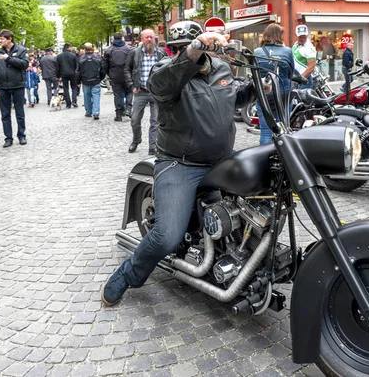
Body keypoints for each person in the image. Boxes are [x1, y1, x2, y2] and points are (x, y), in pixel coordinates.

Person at [101, 21, 255, 306]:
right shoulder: (165, 73)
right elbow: (160, 83)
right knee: (167, 237)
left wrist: (263, 86)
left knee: (262, 197)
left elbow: (233, 98)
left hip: (221, 159)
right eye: (177, 49)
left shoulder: (221, 69)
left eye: (188, 47)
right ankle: (128, 274)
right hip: (181, 164)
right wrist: (194, 50)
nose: (181, 53)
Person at [124, 29, 165, 155]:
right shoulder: (134, 53)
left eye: (151, 37)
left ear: (155, 39)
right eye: (146, 37)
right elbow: (127, 70)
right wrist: (131, 85)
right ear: (141, 39)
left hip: (156, 92)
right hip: (140, 91)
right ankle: (136, 139)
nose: (149, 39)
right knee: (135, 119)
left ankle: (153, 147)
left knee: (155, 121)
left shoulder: (161, 53)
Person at [254, 24, 294, 145]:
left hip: (264, 93)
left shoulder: (257, 51)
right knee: (283, 128)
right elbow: (290, 73)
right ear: (279, 35)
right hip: (283, 93)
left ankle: (265, 159)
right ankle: (282, 158)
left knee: (266, 130)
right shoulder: (287, 51)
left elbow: (254, 73)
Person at [0, 29, 29, 147]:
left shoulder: (21, 50)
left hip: (18, 85)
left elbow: (24, 65)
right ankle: (8, 138)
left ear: (10, 39)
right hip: (3, 87)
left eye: (2, 38)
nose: (0, 40)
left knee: (19, 113)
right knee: (5, 114)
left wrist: (9, 59)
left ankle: (21, 135)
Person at [103, 32, 132, 121]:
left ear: (114, 38)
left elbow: (105, 65)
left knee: (117, 95)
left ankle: (119, 114)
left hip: (115, 75)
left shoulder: (109, 50)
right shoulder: (129, 49)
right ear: (122, 38)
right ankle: (128, 109)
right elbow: (133, 62)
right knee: (129, 92)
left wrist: (109, 73)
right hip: (127, 74)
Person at [77, 43, 105, 119]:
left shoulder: (80, 58)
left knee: (87, 96)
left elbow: (78, 71)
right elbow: (103, 70)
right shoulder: (98, 58)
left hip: (85, 80)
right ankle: (96, 112)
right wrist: (100, 78)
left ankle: (88, 112)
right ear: (92, 49)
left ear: (84, 49)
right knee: (96, 96)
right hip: (96, 80)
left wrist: (78, 81)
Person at [292, 25, 316, 90]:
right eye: (300, 37)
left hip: (304, 81)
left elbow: (311, 68)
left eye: (304, 37)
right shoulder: (295, 45)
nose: (302, 39)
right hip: (296, 79)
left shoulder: (309, 48)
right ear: (296, 35)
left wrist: (300, 80)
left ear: (307, 35)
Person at [56, 43, 79, 108]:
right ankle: (74, 101)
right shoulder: (73, 55)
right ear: (69, 48)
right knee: (74, 87)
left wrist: (58, 76)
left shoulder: (59, 56)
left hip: (64, 74)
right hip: (72, 73)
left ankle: (68, 103)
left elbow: (57, 67)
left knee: (65, 88)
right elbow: (76, 65)